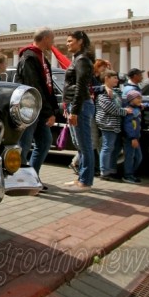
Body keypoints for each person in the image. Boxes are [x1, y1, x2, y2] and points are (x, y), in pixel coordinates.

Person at [16, 28, 60, 190]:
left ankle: (32, 177)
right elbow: (34, 87)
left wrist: (52, 109)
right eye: (52, 39)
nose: (53, 43)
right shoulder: (29, 57)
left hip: (40, 109)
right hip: (30, 109)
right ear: (46, 38)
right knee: (24, 144)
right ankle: (19, 180)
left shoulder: (41, 57)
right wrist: (48, 112)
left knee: (45, 141)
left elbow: (48, 86)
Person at [62, 31, 95, 192]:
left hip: (80, 106)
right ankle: (81, 177)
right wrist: (67, 107)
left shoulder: (81, 60)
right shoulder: (77, 59)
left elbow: (81, 86)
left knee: (85, 145)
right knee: (79, 145)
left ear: (80, 41)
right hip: (75, 105)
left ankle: (86, 182)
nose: (67, 43)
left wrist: (74, 110)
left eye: (70, 41)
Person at [95, 70, 132, 181]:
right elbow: (110, 108)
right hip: (107, 123)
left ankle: (111, 169)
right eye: (114, 77)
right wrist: (125, 111)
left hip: (115, 124)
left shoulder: (115, 92)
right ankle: (104, 172)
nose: (117, 80)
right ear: (106, 78)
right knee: (107, 147)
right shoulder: (103, 93)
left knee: (115, 148)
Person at [122, 90, 144, 184]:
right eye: (138, 98)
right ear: (131, 100)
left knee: (138, 157)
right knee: (130, 156)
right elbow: (128, 125)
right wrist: (132, 138)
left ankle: (131, 174)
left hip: (136, 137)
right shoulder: (130, 110)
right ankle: (128, 175)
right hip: (130, 138)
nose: (140, 100)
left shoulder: (137, 108)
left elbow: (146, 104)